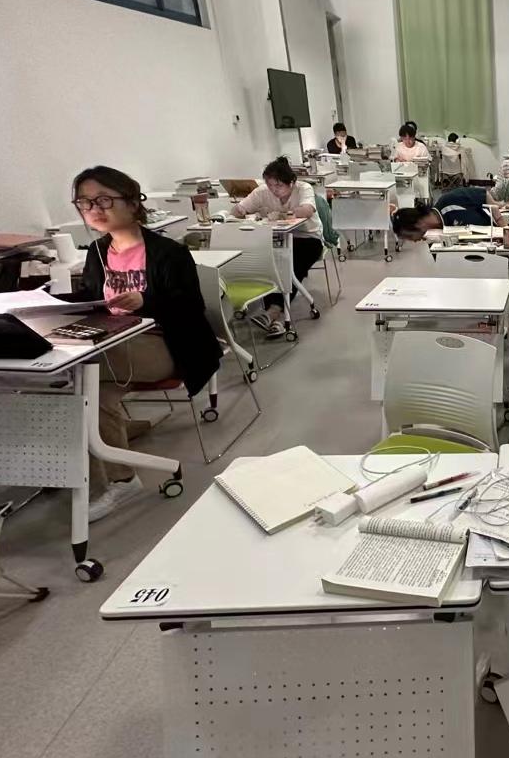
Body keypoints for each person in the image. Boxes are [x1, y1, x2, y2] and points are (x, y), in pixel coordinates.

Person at [64, 166, 221, 519]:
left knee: (75, 369)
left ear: (133, 202)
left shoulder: (168, 252)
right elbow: (91, 299)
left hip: (165, 343)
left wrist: (145, 302)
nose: (94, 209)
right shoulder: (97, 252)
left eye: (104, 200)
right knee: (89, 396)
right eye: (85, 202)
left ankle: (88, 471)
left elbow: (190, 307)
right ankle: (121, 480)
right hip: (112, 343)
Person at [230, 156, 324, 339]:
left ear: (291, 183)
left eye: (279, 185)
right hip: (275, 239)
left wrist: (283, 214)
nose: (273, 190)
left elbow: (307, 210)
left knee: (290, 263)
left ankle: (274, 313)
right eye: (270, 184)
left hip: (307, 238)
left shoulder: (303, 188)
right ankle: (273, 317)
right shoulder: (262, 192)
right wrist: (240, 212)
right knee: (270, 262)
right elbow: (238, 210)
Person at [391, 185, 505, 240]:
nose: (414, 241)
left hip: (496, 236)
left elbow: (483, 194)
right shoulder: (437, 232)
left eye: (409, 236)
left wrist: (504, 229)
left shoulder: (448, 201)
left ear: (417, 224)